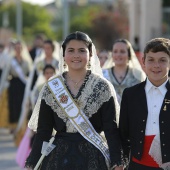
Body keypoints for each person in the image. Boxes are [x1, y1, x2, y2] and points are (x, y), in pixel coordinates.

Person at [25, 31, 124, 170]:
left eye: (81, 50)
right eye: (71, 50)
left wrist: (117, 162)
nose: (76, 55)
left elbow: (111, 129)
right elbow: (44, 131)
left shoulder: (103, 87)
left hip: (94, 158)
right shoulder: (52, 87)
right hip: (58, 159)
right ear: (63, 55)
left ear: (90, 55)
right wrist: (32, 163)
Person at [119, 37, 170, 170]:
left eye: (162, 60)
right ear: (143, 62)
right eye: (151, 60)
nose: (156, 65)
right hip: (137, 165)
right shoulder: (130, 94)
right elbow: (123, 135)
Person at [16, 64, 56, 169]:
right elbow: (34, 106)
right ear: (43, 74)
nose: (49, 75)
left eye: (51, 73)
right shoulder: (39, 87)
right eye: (47, 73)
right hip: (41, 121)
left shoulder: (58, 87)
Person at [103, 39, 146, 103]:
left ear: (129, 55)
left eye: (122, 51)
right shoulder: (103, 74)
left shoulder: (138, 75)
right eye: (115, 51)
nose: (118, 54)